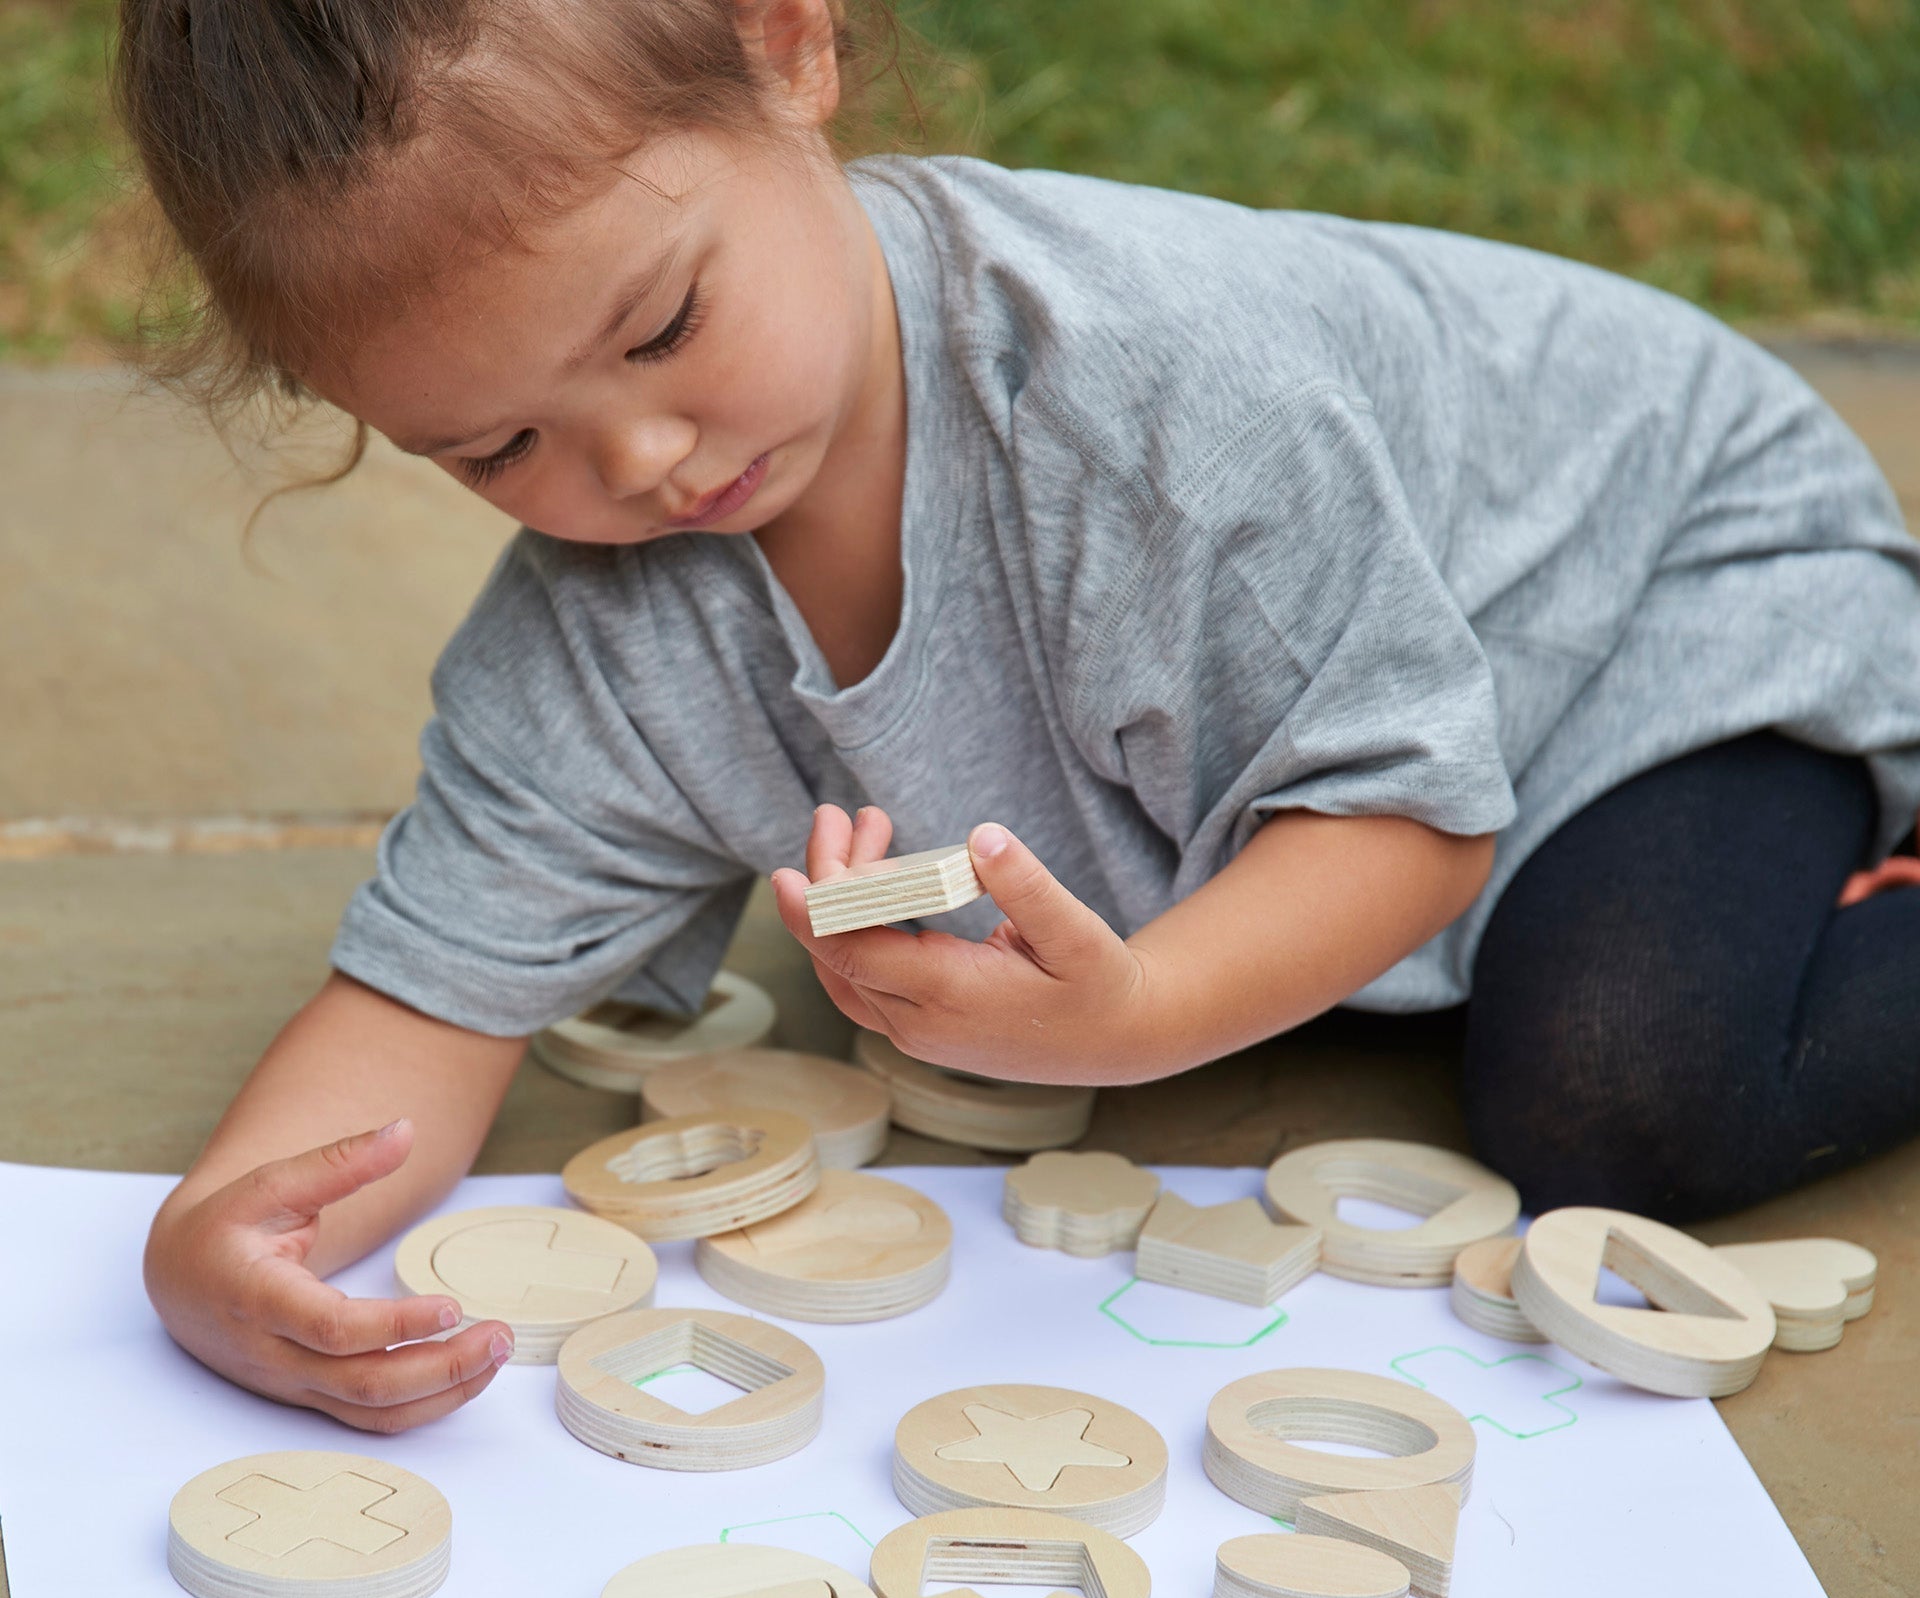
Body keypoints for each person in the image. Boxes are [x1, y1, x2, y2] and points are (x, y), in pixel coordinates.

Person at [119, 0, 1920, 1431]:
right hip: (1397, 685)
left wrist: (1141, 1019)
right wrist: (227, 1233)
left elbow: (1411, 811)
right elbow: (426, 996)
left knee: (1618, 1096)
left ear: (787, 46)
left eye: (664, 326)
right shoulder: (592, 638)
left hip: (1648, 603)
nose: (637, 461)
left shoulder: (1151, 400)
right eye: (493, 447)